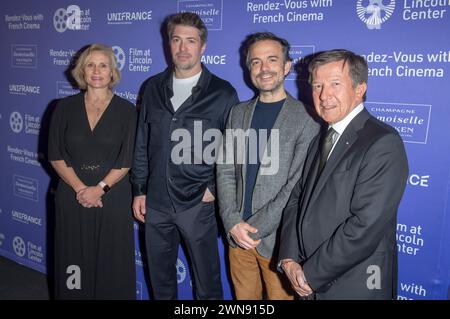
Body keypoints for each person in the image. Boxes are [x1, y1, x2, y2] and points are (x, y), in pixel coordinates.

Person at [278, 49, 408, 299]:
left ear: (360, 89)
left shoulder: (382, 142)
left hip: (354, 284)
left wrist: (311, 274)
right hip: (305, 279)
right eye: (317, 85)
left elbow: (365, 226)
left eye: (335, 84)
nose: (323, 95)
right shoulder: (321, 138)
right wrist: (289, 258)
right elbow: (297, 199)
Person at [131, 12, 238, 300]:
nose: (182, 48)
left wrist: (213, 189)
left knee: (207, 285)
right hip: (155, 203)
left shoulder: (222, 93)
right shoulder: (152, 87)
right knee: (160, 280)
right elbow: (142, 142)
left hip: (197, 204)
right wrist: (139, 189)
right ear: (169, 44)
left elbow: (234, 150)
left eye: (190, 41)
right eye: (176, 40)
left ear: (203, 46)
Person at [216, 32, 319, 300]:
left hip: (277, 243)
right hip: (236, 237)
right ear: (248, 68)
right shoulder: (238, 113)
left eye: (272, 60)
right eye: (256, 62)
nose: (264, 69)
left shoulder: (307, 118)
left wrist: (254, 229)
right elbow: (225, 169)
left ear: (286, 66)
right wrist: (232, 221)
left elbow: (295, 186)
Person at [48, 43, 137, 299]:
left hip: (113, 197)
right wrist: (80, 189)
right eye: (90, 64)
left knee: (112, 262)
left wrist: (98, 190)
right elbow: (54, 154)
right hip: (71, 194)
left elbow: (127, 159)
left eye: (103, 65)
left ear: (112, 72)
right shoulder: (63, 107)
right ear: (82, 71)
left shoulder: (127, 111)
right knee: (72, 260)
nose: (96, 71)